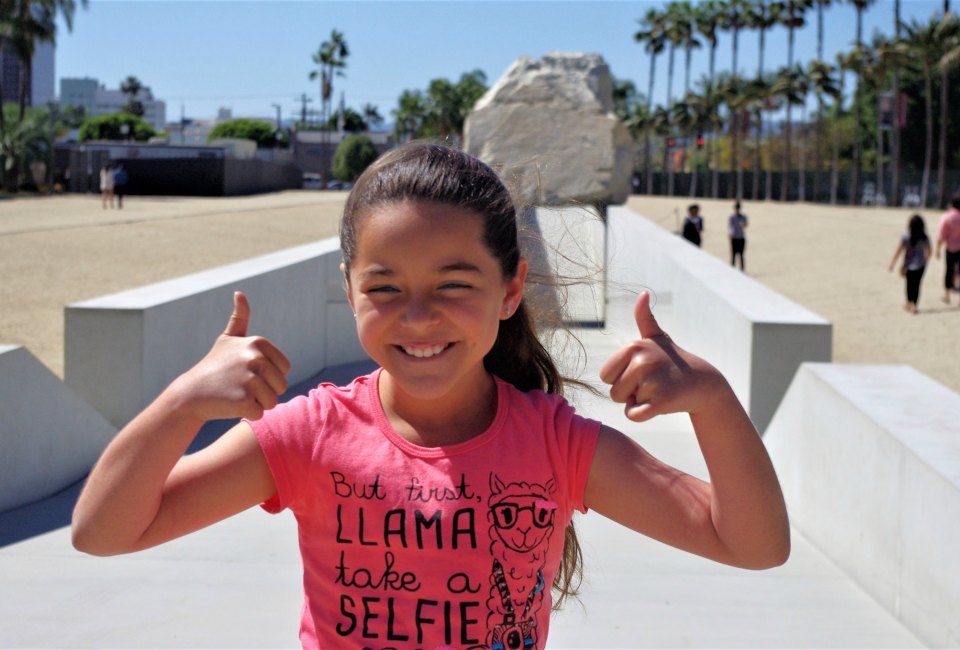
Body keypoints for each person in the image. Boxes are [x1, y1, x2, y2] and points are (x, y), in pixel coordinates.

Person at [72, 143, 790, 648]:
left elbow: (751, 544)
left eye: (454, 285)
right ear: (350, 290)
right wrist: (182, 403)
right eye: (384, 288)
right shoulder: (309, 434)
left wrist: (713, 402)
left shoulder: (555, 444)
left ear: (510, 291)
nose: (418, 317)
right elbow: (104, 531)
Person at [889, 214, 932, 314]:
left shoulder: (906, 236)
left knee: (909, 285)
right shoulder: (925, 237)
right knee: (917, 285)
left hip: (909, 264)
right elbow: (930, 250)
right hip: (921, 264)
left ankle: (909, 303)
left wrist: (893, 263)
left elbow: (898, 251)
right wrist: (926, 259)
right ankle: (914, 305)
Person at [936, 192, 960, 304]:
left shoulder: (947, 217)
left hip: (951, 248)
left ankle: (947, 295)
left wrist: (938, 249)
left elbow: (941, 234)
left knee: (949, 271)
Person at [728, 201, 748, 270]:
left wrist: (743, 224)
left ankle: (742, 269)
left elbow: (746, 225)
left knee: (741, 254)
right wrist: (730, 235)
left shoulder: (743, 217)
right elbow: (730, 227)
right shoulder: (732, 217)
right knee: (733, 254)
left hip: (741, 237)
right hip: (734, 237)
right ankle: (732, 269)